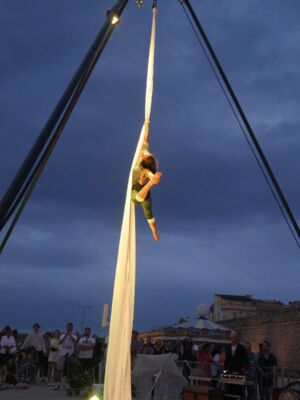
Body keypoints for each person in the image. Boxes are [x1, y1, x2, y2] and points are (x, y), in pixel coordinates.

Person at [131, 119, 162, 241]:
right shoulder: (143, 152)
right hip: (137, 188)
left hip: (141, 188)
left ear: (144, 161)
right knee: (138, 200)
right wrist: (147, 125)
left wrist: (153, 180)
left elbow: (152, 177)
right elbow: (145, 140)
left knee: (148, 211)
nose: (145, 153)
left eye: (146, 155)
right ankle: (148, 185)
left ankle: (154, 231)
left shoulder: (143, 170)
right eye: (148, 154)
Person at [224, 330, 249, 398]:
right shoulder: (228, 348)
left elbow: (245, 360)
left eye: (234, 337)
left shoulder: (242, 348)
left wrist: (243, 368)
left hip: (238, 372)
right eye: (231, 337)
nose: (232, 339)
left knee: (238, 390)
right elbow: (227, 360)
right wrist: (225, 369)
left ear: (237, 338)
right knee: (229, 390)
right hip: (230, 372)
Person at [54, 323, 77, 390]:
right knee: (59, 369)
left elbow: (75, 342)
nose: (69, 328)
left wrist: (70, 336)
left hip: (70, 355)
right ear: (66, 327)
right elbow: (59, 342)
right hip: (62, 354)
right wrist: (65, 336)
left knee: (68, 370)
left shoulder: (74, 335)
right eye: (68, 327)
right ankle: (57, 384)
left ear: (72, 328)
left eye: (70, 327)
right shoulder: (62, 335)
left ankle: (66, 384)